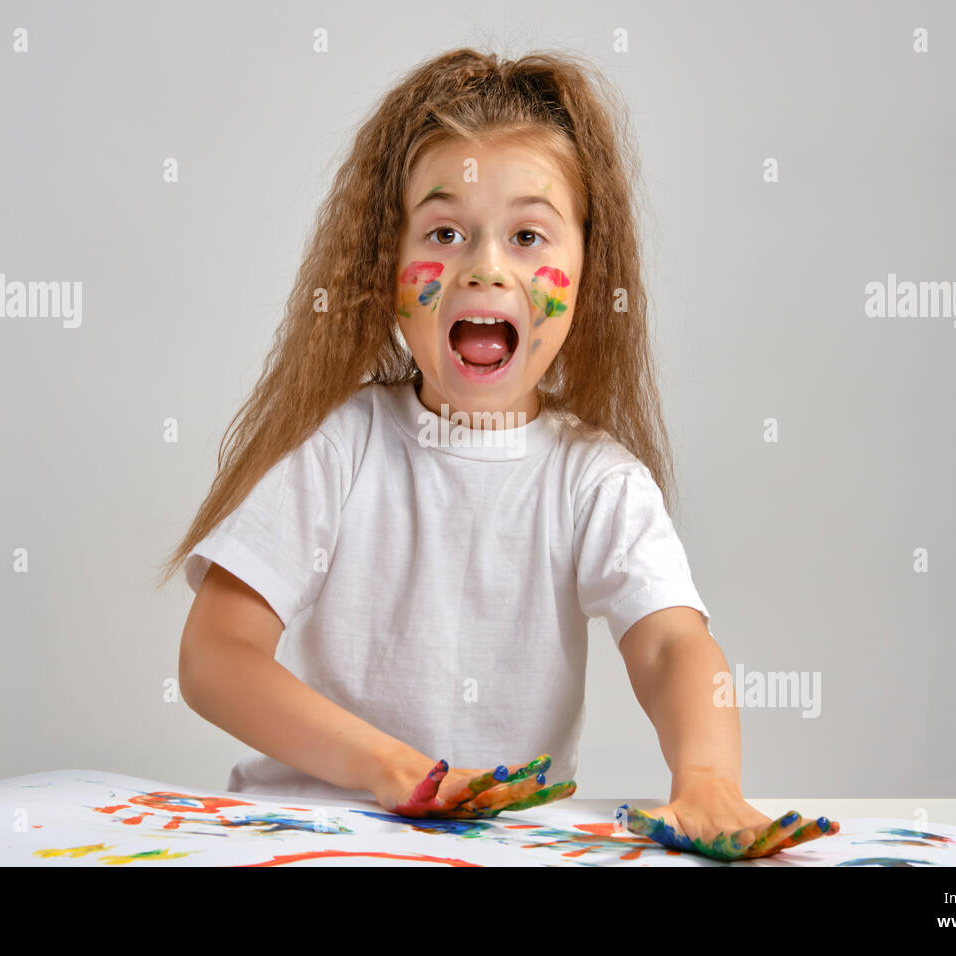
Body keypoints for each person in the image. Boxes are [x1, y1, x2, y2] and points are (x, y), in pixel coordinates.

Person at [155, 48, 838, 861]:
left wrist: (707, 777)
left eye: (526, 235)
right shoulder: (337, 447)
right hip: (308, 839)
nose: (483, 267)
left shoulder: (595, 481)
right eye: (444, 232)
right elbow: (213, 657)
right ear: (387, 264)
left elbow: (670, 646)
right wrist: (389, 767)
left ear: (588, 267)